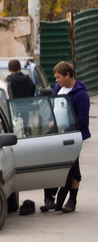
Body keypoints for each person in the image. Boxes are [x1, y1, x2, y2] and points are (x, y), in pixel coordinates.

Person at [40, 61, 91, 213]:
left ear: (67, 75)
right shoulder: (58, 88)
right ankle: (50, 198)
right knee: (54, 165)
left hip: (72, 136)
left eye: (58, 77)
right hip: (57, 134)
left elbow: (82, 120)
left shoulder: (80, 94)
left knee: (73, 169)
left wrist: (66, 130)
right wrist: (50, 120)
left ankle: (72, 200)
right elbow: (54, 106)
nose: (56, 81)